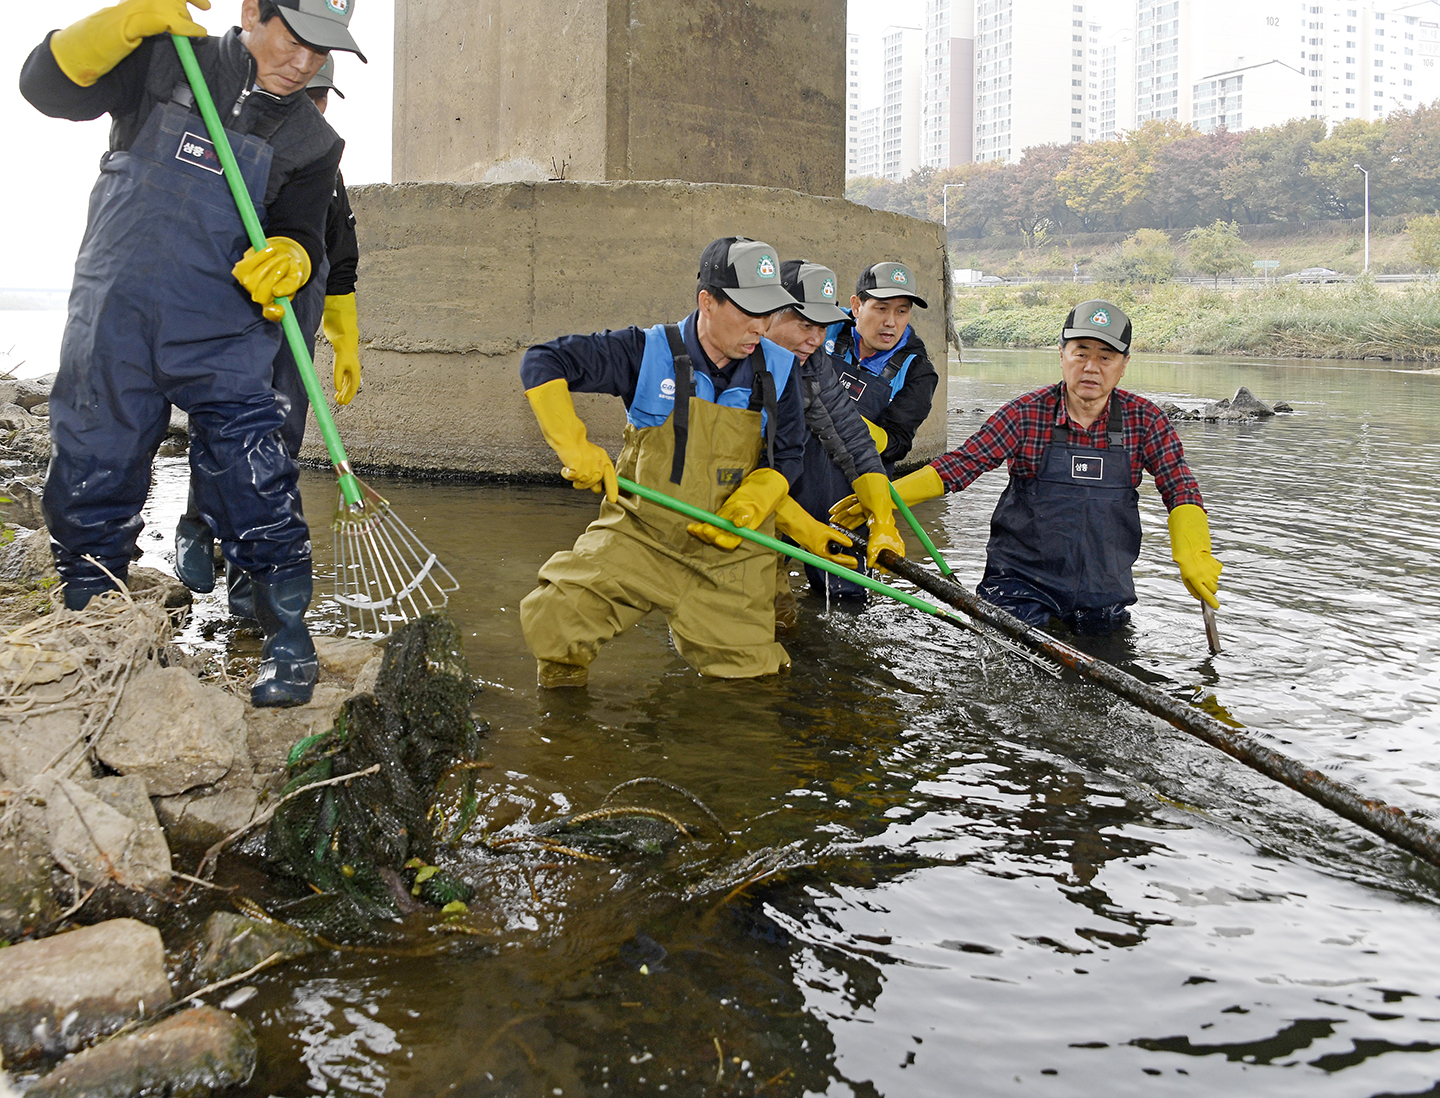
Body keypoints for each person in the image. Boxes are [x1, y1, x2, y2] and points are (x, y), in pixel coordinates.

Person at [20, 0, 366, 707]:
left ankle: (287, 638)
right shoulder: (169, 60)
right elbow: (44, 90)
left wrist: (294, 256)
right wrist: (119, 23)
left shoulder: (312, 139)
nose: (304, 63)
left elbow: (303, 224)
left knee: (254, 475)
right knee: (93, 465)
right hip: (113, 315)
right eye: (296, 39)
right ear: (252, 12)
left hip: (222, 329)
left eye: (323, 52)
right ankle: (92, 615)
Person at [519, 236, 821, 687]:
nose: (759, 327)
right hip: (642, 533)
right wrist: (575, 447)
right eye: (747, 311)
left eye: (767, 312)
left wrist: (762, 494)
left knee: (750, 686)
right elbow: (543, 360)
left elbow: (791, 454)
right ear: (708, 302)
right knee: (558, 619)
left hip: (729, 547)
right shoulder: (646, 351)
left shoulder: (780, 368)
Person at [833, 300, 1222, 634]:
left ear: (1124, 365)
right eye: (1081, 352)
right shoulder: (1026, 414)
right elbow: (961, 465)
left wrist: (1193, 550)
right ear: (1062, 354)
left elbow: (1179, 487)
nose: (1091, 367)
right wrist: (886, 497)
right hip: (1018, 588)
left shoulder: (1146, 421)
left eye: (1105, 357)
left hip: (1103, 591)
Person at [173, 52, 363, 620]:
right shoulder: (235, 151)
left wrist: (345, 336)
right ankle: (197, 527)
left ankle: (249, 576)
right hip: (233, 315)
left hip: (293, 327)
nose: (317, 107)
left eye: (323, 97)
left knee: (279, 439)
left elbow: (341, 255)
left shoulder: (324, 166)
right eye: (310, 98)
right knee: (227, 422)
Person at [763, 259, 905, 629]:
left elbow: (851, 437)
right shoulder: (729, 357)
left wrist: (883, 518)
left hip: (774, 500)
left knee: (780, 623)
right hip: (711, 510)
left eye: (823, 326)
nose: (816, 338)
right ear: (768, 313)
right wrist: (805, 529)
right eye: (805, 324)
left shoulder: (811, 364)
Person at [798, 260, 938, 598]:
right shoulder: (822, 332)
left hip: (849, 496)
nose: (891, 322)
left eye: (902, 311)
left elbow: (897, 444)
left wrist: (841, 419)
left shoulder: (917, 371)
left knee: (844, 598)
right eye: (881, 308)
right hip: (791, 475)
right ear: (856, 305)